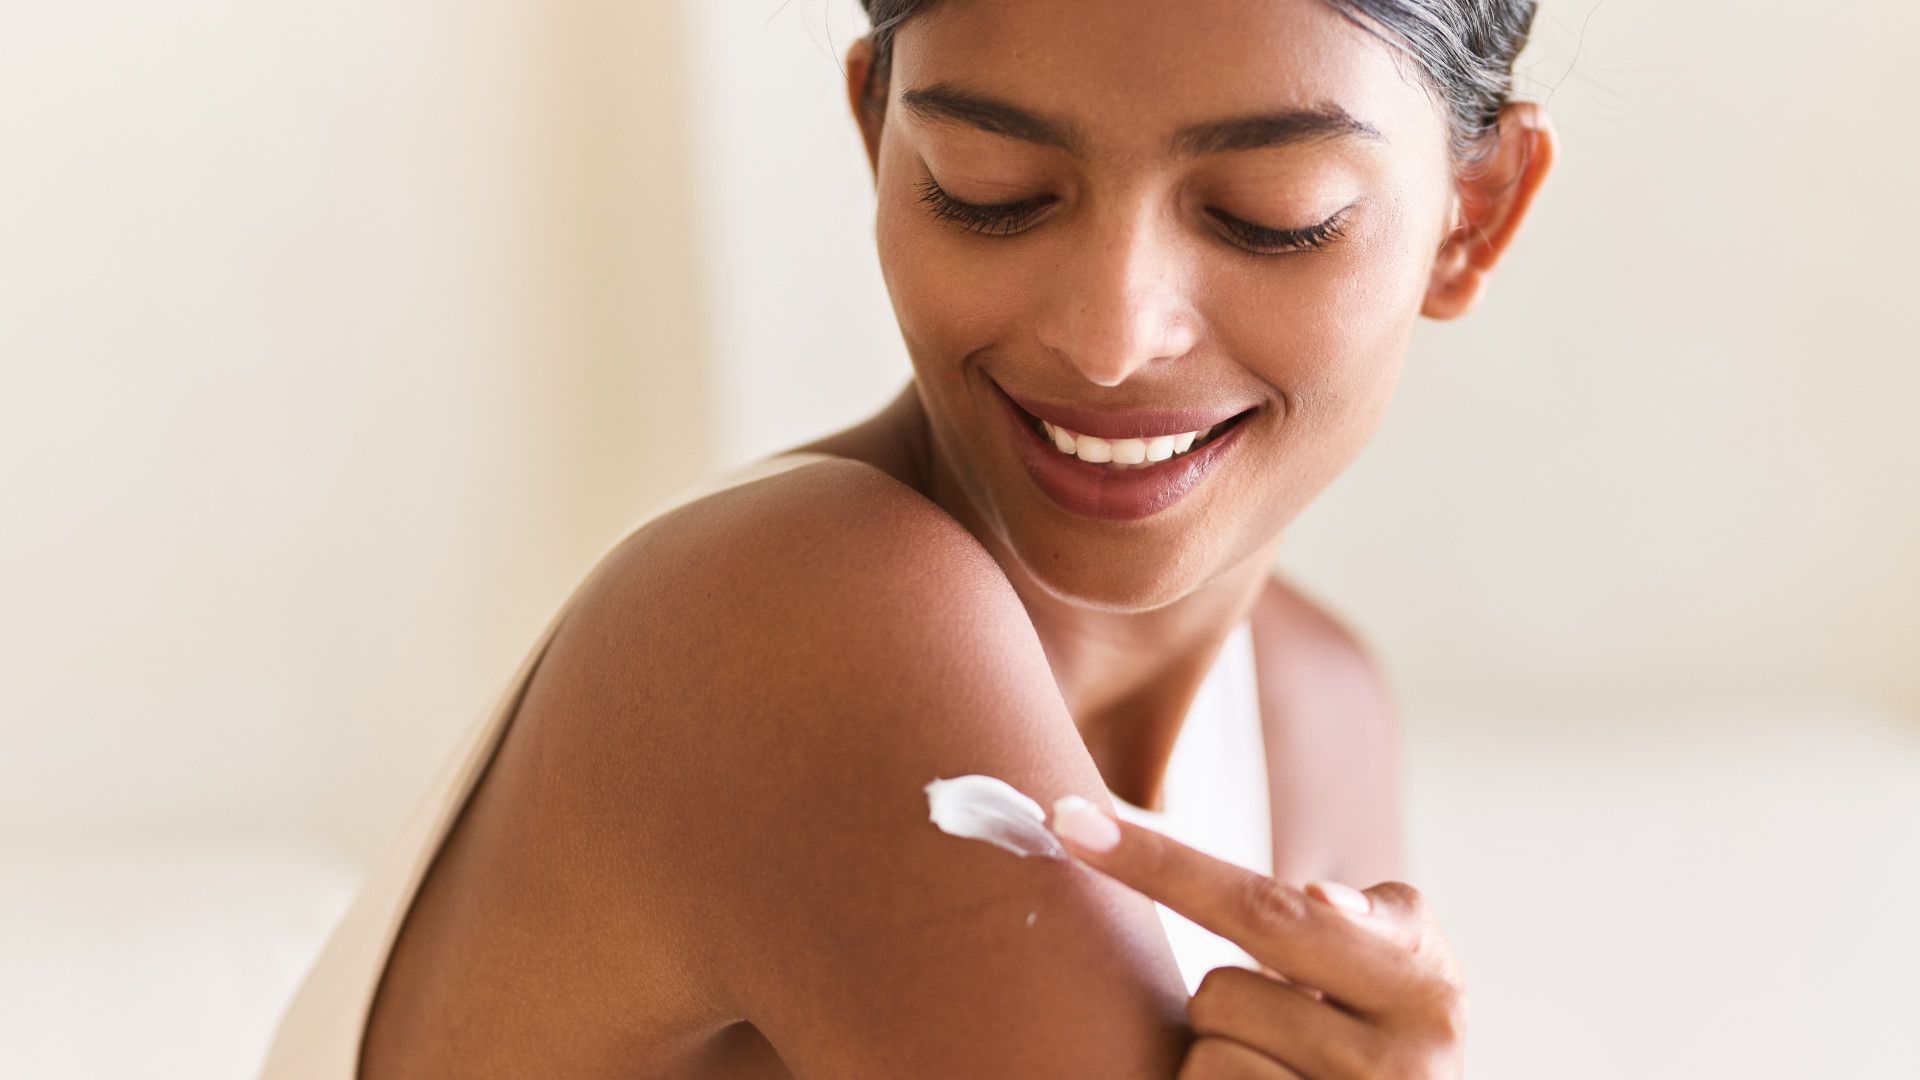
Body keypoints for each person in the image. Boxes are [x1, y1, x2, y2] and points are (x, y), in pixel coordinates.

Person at [262, 0, 1555, 1075]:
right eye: (991, 190)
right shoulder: (800, 621)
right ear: (877, 132)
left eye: (1273, 209)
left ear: (1474, 213)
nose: (1111, 337)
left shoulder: (1310, 708)